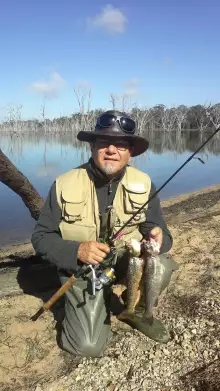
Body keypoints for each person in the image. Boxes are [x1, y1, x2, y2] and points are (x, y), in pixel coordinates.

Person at [31, 110, 179, 358]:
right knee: (88, 346)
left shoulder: (144, 183)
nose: (112, 149)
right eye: (104, 142)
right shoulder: (63, 183)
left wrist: (158, 236)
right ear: (92, 146)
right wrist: (76, 251)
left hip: (125, 262)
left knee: (161, 265)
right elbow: (41, 237)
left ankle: (138, 312)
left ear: (130, 152)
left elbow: (160, 230)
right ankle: (97, 302)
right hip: (81, 269)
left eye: (121, 144)